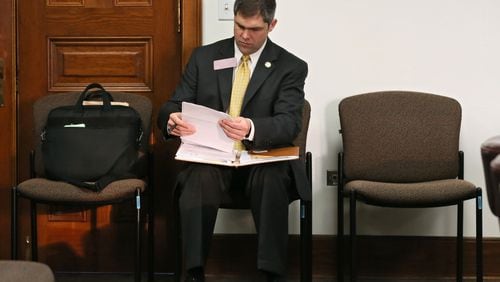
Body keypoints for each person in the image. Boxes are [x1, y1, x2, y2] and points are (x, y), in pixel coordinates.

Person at [157, 0, 309, 281]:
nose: (244, 35)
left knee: (272, 178)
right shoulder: (204, 58)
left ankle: (271, 273)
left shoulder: (291, 67)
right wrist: (171, 119)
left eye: (254, 29)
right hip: (213, 158)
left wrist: (251, 128)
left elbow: (289, 123)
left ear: (271, 26)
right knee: (198, 177)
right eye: (239, 26)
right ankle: (192, 272)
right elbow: (174, 103)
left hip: (260, 159)